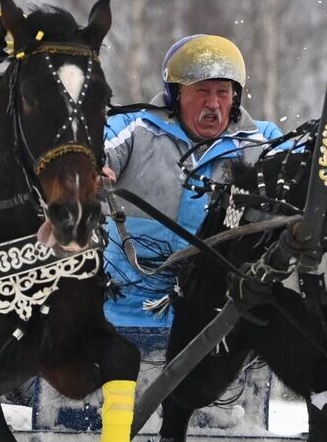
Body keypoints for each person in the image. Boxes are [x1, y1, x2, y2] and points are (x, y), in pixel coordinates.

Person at [101, 34, 284, 327]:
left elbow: (313, 169)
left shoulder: (265, 141)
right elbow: (90, 154)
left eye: (223, 92)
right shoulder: (132, 128)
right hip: (126, 319)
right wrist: (92, 172)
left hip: (217, 326)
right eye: (202, 91)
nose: (213, 104)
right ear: (175, 94)